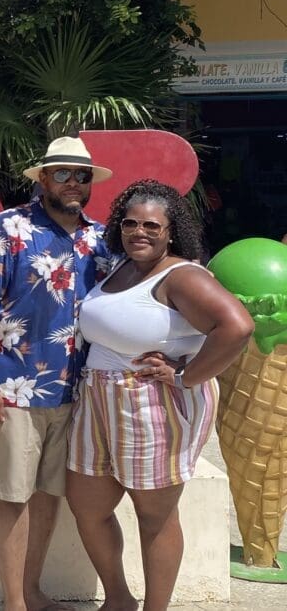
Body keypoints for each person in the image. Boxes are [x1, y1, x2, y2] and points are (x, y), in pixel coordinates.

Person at [67, 179, 253, 611]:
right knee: (87, 507)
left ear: (171, 231)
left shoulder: (181, 274)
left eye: (152, 225)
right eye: (130, 223)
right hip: (97, 399)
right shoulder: (121, 267)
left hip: (149, 405)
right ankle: (117, 599)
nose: (139, 232)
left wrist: (186, 376)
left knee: (155, 518)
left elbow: (237, 327)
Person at [0, 136, 113, 611]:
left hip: (74, 394)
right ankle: (14, 603)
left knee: (49, 496)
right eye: (63, 173)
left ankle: (32, 590)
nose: (73, 182)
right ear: (44, 178)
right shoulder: (7, 228)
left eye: (82, 175)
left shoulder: (101, 239)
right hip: (15, 390)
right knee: (12, 497)